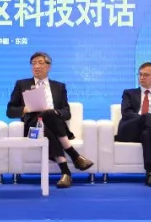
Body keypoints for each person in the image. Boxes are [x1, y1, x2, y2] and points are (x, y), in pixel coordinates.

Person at [6, 51, 93, 189]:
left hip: (53, 124)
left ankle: (66, 172)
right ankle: (75, 156)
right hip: (33, 126)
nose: (36, 66)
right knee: (45, 120)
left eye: (40, 63)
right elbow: (10, 111)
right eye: (33, 63)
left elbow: (67, 113)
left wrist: (55, 112)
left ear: (49, 66)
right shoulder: (22, 84)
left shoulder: (59, 87)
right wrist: (26, 109)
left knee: (49, 118)